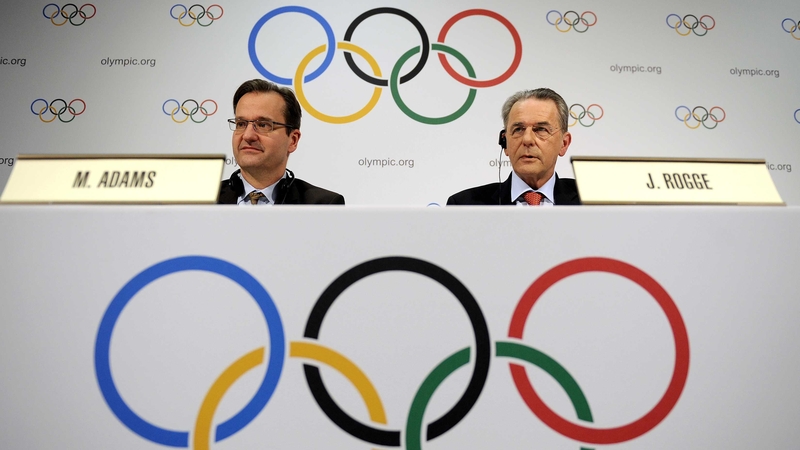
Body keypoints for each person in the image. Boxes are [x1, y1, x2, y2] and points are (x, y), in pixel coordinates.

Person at [218, 79, 345, 205]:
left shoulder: (322, 205)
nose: (248, 135)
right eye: (241, 124)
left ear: (293, 140)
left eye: (263, 125)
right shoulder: (204, 201)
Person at [447, 88, 580, 206]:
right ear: (505, 143)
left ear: (564, 144)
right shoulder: (465, 205)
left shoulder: (589, 202)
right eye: (518, 130)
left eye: (541, 129)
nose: (527, 139)